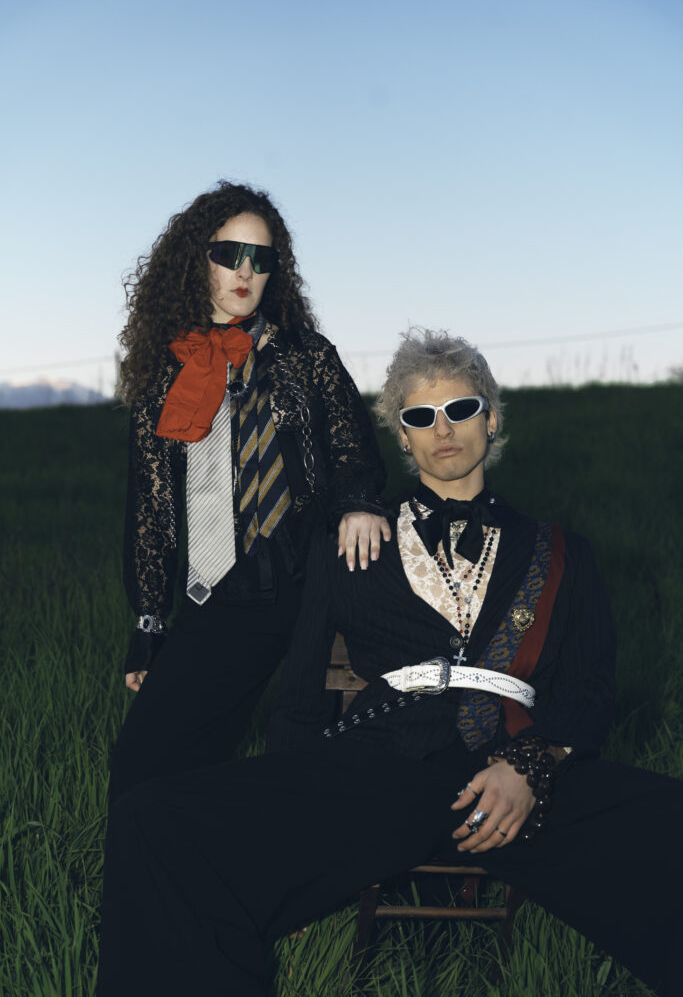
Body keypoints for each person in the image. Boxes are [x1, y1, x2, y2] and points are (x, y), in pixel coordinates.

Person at [97, 329, 683, 996]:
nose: (443, 429)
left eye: (460, 409)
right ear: (401, 436)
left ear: (491, 419)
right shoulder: (352, 542)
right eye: (420, 416)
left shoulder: (563, 552)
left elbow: (588, 689)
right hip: (382, 769)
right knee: (154, 820)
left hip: (513, 775)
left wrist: (529, 767)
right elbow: (299, 698)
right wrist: (282, 847)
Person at [110, 181, 390, 801]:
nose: (245, 272)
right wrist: (150, 621)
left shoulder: (306, 354)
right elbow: (151, 510)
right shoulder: (164, 377)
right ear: (196, 261)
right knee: (144, 766)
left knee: (297, 764)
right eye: (229, 254)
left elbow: (352, 445)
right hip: (218, 593)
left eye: (260, 259)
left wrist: (359, 503)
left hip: (307, 575)